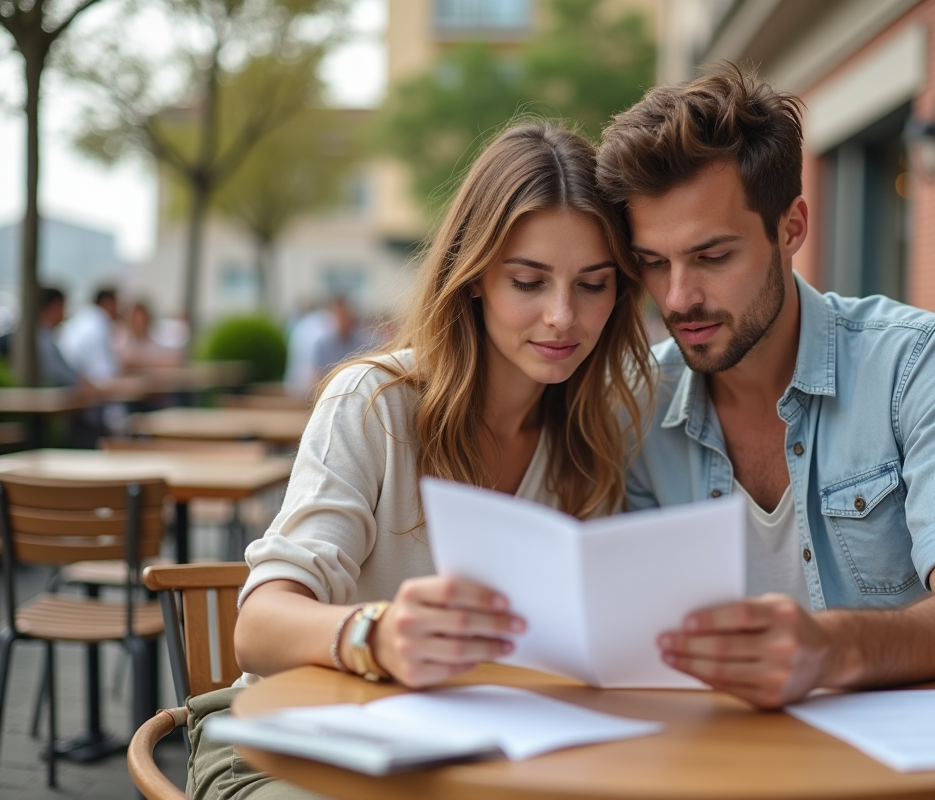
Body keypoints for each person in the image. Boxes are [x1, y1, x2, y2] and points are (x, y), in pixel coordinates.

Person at [186, 122, 651, 798]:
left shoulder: (596, 436)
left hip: (470, 756)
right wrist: (375, 634)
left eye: (593, 284)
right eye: (529, 281)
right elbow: (257, 627)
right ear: (474, 279)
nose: (562, 316)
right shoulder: (374, 403)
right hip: (292, 746)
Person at [595, 64, 935, 709]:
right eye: (653, 263)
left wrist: (831, 649)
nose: (679, 298)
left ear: (792, 226)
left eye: (713, 256)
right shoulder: (636, 402)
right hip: (748, 756)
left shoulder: (914, 362)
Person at [58, 287, 121, 383]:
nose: (118, 309)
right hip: (75, 382)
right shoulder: (99, 322)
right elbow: (104, 373)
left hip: (69, 376)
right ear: (108, 303)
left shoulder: (85, 317)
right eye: (116, 304)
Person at [311, 295, 375, 381]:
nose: (341, 320)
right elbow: (317, 376)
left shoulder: (364, 342)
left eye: (343, 315)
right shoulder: (322, 344)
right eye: (337, 315)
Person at [115, 300, 185, 372]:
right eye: (136, 320)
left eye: (142, 320)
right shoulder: (122, 341)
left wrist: (139, 363)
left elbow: (174, 360)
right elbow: (123, 361)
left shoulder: (154, 342)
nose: (139, 323)